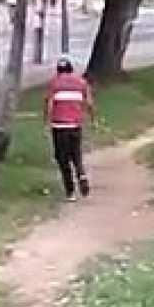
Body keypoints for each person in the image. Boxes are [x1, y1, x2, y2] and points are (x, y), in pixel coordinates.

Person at [44, 56, 94, 201]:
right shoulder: (82, 83)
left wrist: (46, 122)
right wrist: (92, 118)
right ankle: (81, 174)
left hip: (59, 126)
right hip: (75, 125)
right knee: (76, 154)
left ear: (58, 70)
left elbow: (49, 105)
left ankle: (70, 191)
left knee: (62, 158)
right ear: (71, 69)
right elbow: (89, 103)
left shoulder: (54, 83)